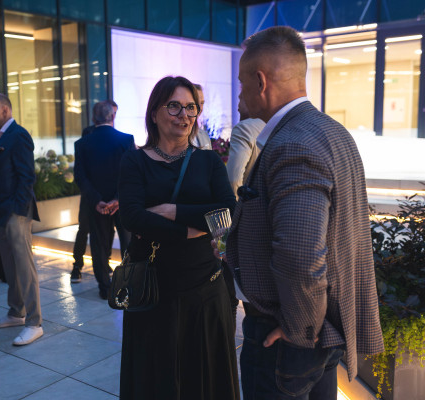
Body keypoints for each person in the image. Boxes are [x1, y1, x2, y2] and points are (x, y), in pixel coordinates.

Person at [225, 26, 384, 400]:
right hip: (323, 328)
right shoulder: (332, 131)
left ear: (261, 81)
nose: (239, 93)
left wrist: (298, 329)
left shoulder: (292, 143)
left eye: (242, 83)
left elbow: (299, 256)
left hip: (286, 336)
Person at [118, 76, 239, 399]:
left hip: (204, 288)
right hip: (152, 288)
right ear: (154, 112)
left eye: (190, 107)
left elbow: (228, 210)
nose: (184, 115)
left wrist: (172, 211)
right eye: (174, 106)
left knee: (204, 377)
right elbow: (132, 216)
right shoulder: (134, 160)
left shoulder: (208, 161)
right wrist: (191, 229)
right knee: (156, 379)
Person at [0, 93, 43, 346]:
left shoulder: (18, 135)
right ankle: (16, 312)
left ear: (5, 110)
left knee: (24, 267)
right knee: (9, 266)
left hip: (14, 212)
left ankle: (34, 322)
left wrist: (17, 211)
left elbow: (26, 176)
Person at [73, 101, 135, 296]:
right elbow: (132, 174)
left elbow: (80, 176)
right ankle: (128, 283)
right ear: (113, 117)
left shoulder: (82, 143)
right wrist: (118, 199)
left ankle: (104, 287)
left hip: (97, 205)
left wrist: (96, 200)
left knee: (99, 245)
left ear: (93, 118)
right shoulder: (126, 140)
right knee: (128, 243)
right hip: (122, 204)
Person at [71, 99, 119, 278]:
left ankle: (105, 263)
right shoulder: (88, 134)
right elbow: (83, 170)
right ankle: (77, 265)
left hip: (110, 196)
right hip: (91, 195)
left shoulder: (118, 136)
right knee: (84, 228)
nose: (112, 117)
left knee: (109, 231)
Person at [226, 94, 265, 198]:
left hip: (249, 205)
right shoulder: (277, 124)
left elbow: (233, 180)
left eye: (240, 99)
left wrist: (236, 206)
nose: (238, 108)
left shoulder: (244, 128)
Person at [191, 83, 212, 150]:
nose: (200, 108)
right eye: (196, 102)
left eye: (202, 103)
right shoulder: (176, 134)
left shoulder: (205, 136)